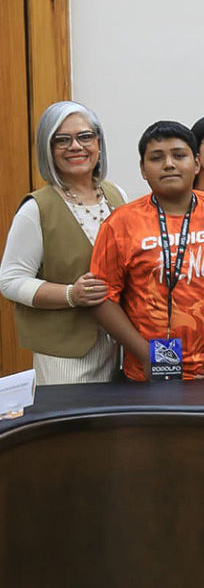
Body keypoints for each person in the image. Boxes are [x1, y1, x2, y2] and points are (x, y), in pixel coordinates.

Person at [90, 121, 204, 382]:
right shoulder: (119, 224)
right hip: (149, 369)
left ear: (196, 164)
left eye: (179, 155)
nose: (169, 164)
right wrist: (145, 355)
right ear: (143, 169)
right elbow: (103, 298)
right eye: (156, 158)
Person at [0, 101, 127, 384]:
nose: (76, 146)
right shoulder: (36, 209)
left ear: (98, 142)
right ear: (48, 148)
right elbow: (10, 281)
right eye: (62, 140)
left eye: (85, 136)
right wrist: (70, 294)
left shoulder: (116, 195)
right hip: (64, 354)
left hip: (116, 348)